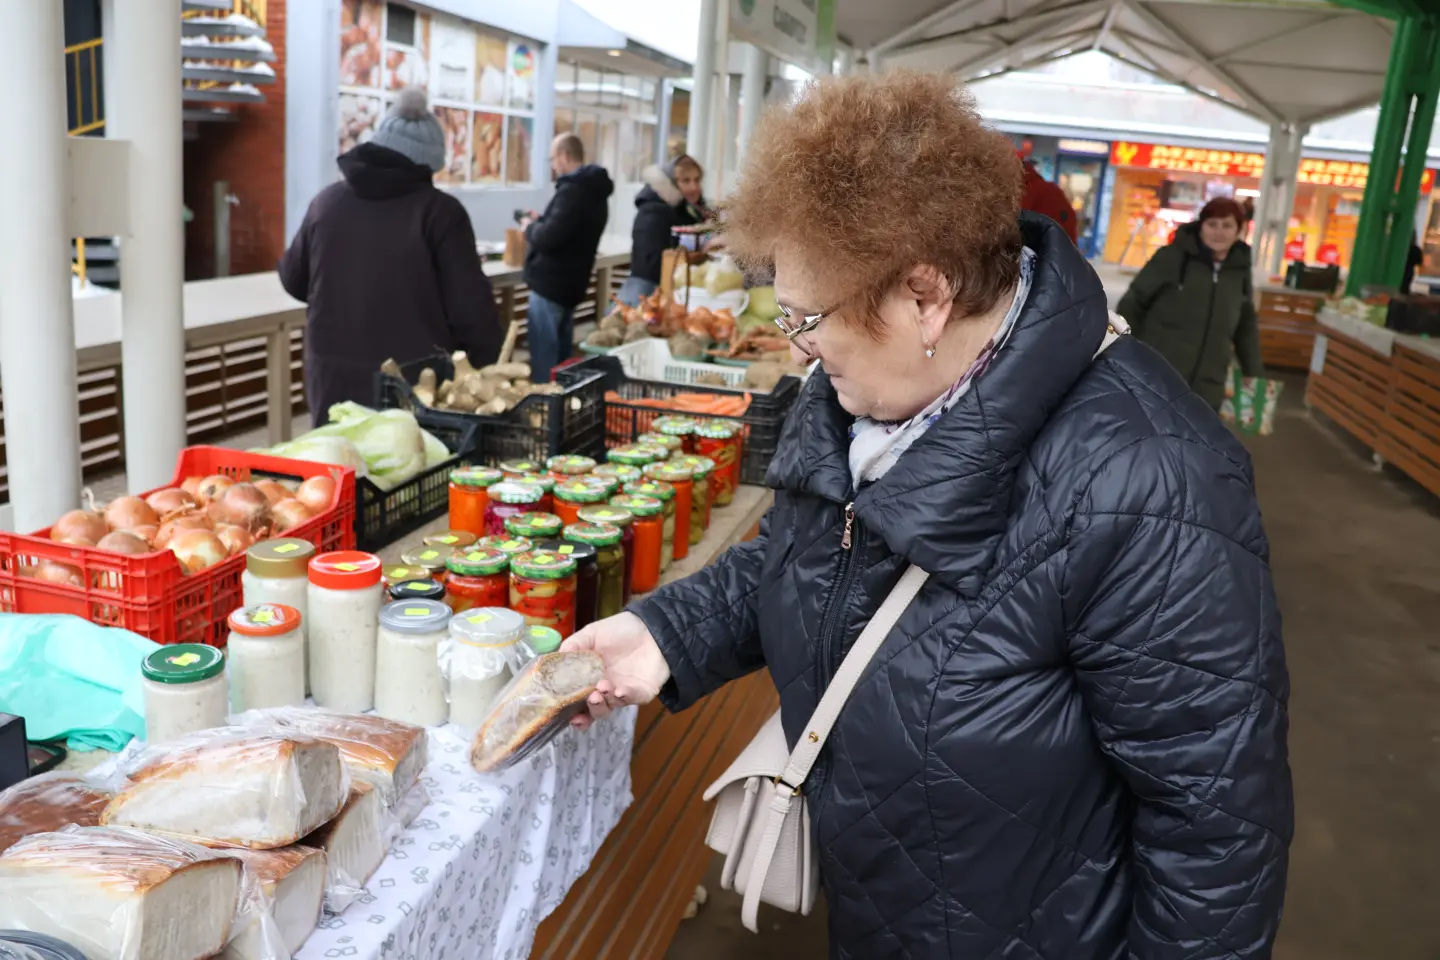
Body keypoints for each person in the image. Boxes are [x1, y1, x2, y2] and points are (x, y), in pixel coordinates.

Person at [565, 72, 1291, 958]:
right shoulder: (859, 400)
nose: (799, 346)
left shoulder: (1157, 487)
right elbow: (805, 554)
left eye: (809, 318)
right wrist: (666, 635)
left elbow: (1216, 837)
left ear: (924, 297)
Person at [278, 86, 500, 426]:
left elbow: (294, 280)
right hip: (413, 389)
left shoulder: (326, 204)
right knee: (407, 474)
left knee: (340, 472)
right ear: (427, 163)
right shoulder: (440, 213)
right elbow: (471, 311)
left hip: (333, 382)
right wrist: (487, 368)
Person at [1116, 197, 1263, 410]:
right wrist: (1125, 352)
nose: (1219, 232)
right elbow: (1133, 303)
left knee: (1193, 442)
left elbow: (1246, 327)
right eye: (1212, 224)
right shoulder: (1171, 258)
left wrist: (1254, 373)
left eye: (1227, 225)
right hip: (1157, 378)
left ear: (1239, 230)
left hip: (1207, 388)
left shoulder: (1239, 271)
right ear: (1200, 226)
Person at [519, 134, 613, 381]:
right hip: (571, 285)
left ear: (564, 156)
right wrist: (543, 221)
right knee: (562, 363)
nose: (552, 165)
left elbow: (549, 238)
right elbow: (567, 231)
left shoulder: (573, 192)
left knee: (545, 361)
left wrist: (529, 227)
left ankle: (544, 410)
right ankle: (564, 412)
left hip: (550, 286)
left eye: (553, 158)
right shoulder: (595, 192)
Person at [621, 156, 709, 305]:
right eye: (685, 181)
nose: (694, 187)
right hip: (648, 292)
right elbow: (649, 263)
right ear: (672, 183)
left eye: (697, 180)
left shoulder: (689, 210)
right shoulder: (653, 211)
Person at [1019, 154, 1078, 245]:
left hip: (1051, 247)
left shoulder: (1029, 189)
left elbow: (1016, 221)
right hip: (1061, 247)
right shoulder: (1043, 187)